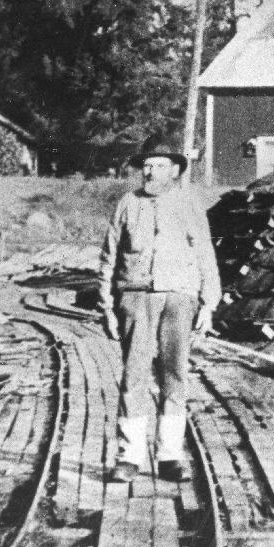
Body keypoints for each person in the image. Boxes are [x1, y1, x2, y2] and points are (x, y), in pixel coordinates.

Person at [96, 134, 221, 480]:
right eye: (146, 166)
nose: (150, 173)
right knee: (134, 374)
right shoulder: (127, 203)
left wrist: (209, 303)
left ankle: (170, 456)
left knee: (175, 375)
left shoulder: (189, 203)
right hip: (136, 298)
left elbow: (205, 253)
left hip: (180, 297)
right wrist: (106, 305)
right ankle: (129, 457)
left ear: (174, 170)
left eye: (159, 166)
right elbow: (109, 257)